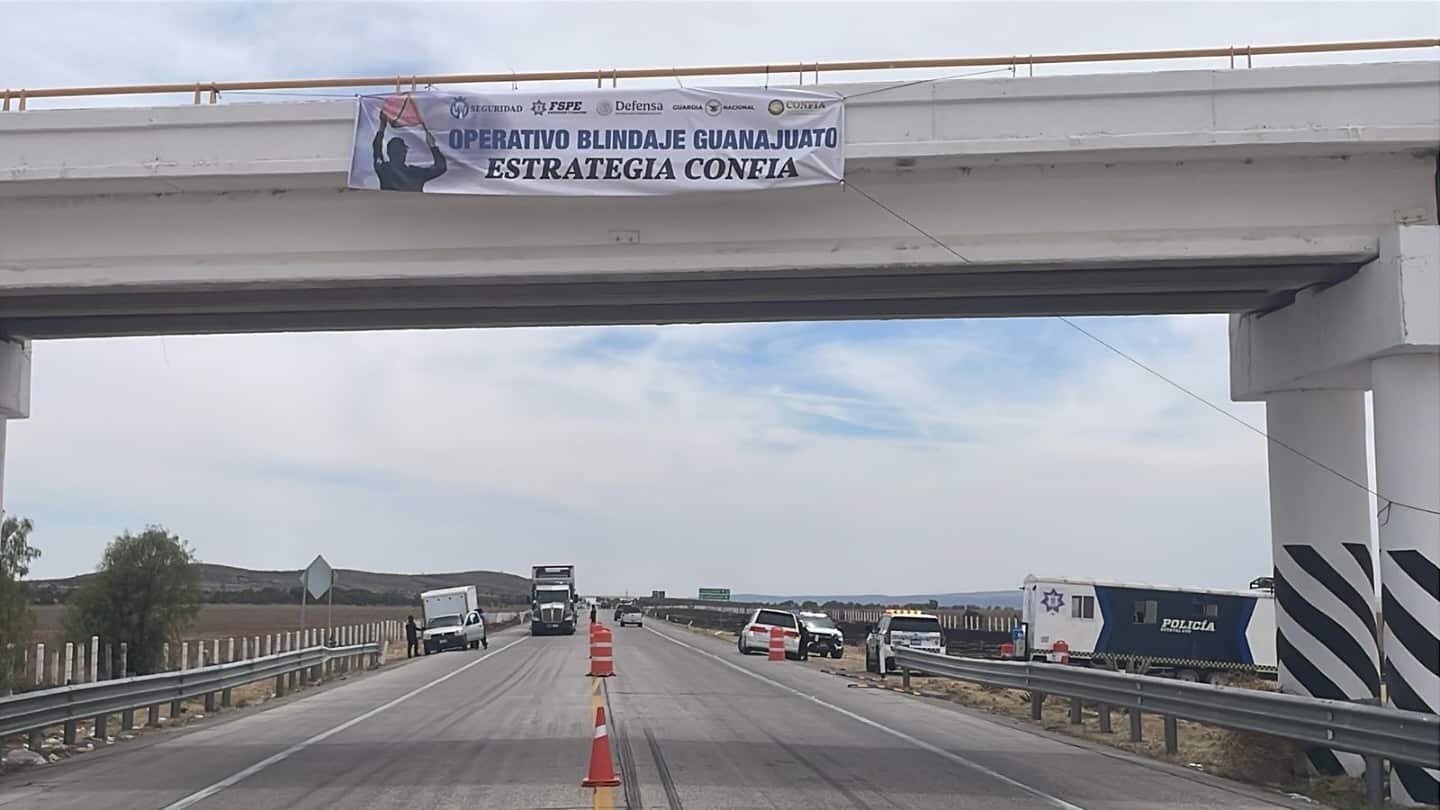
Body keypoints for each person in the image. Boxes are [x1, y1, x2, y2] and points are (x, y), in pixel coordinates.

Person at [371, 113, 448, 192]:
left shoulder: (384, 169)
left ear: (388, 152)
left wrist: (382, 127)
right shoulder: (415, 173)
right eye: (401, 151)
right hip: (414, 204)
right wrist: (433, 146)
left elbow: (377, 149)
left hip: (391, 204)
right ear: (405, 152)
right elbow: (440, 167)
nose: (402, 153)